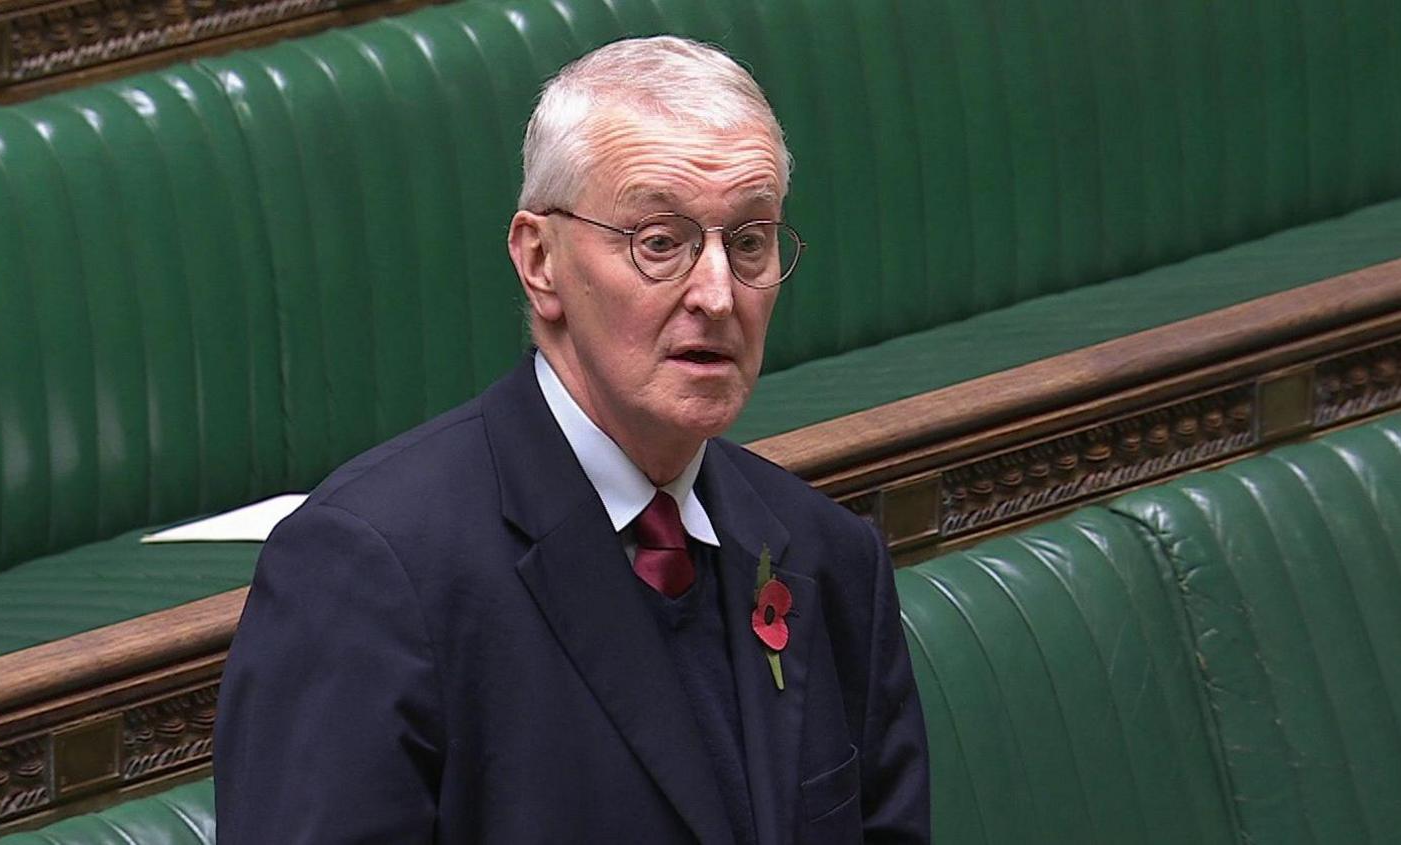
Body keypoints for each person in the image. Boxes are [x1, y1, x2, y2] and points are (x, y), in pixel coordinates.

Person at [214, 35, 929, 844]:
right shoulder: (370, 575)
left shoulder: (831, 561)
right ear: (540, 261)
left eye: (751, 240)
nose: (720, 294)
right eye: (660, 241)